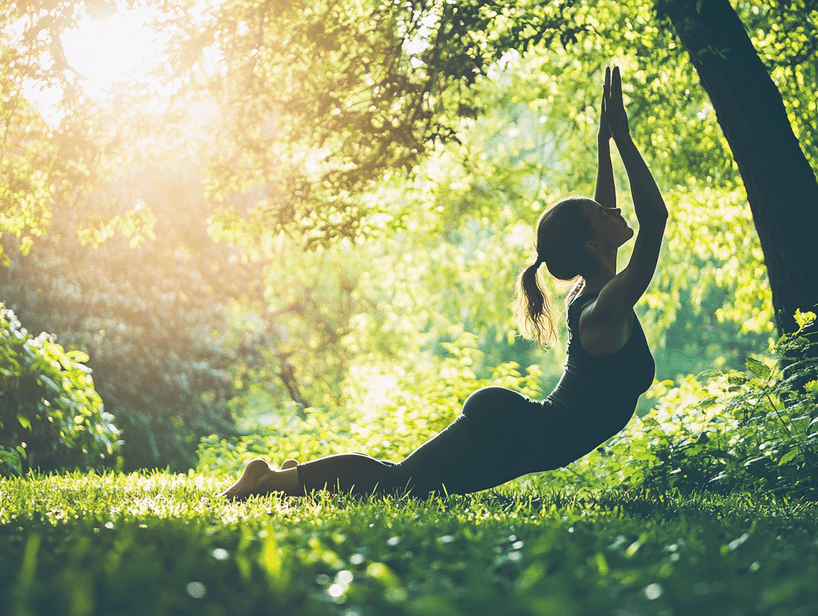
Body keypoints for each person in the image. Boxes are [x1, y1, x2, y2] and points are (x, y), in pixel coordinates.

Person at [220, 65, 667, 501]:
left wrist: (605, 143)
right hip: (513, 434)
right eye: (605, 214)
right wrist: (624, 141)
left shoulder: (598, 289)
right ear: (593, 244)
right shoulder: (603, 308)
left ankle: (288, 480)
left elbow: (601, 213)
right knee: (399, 485)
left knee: (403, 483)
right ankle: (270, 480)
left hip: (519, 431)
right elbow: (655, 219)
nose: (615, 210)